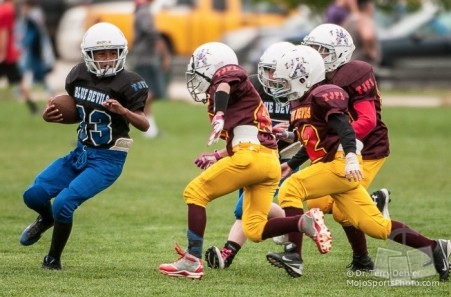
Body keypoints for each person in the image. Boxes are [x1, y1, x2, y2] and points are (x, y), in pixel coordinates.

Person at [261, 44, 451, 282]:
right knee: (376, 227)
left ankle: (293, 255)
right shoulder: (299, 101)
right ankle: (436, 247)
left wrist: (351, 157)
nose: (279, 84)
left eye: (286, 78)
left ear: (303, 76)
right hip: (329, 166)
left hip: (339, 164)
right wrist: (291, 156)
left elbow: (345, 130)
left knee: (291, 188)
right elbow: (312, 138)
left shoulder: (323, 94)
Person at [158, 41, 333, 280]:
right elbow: (248, 135)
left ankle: (192, 260)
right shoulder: (242, 97)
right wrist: (217, 155)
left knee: (195, 193)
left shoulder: (233, 75)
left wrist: (219, 112)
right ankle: (303, 222)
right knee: (254, 228)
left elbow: (225, 83)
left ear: (213, 66)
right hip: (268, 161)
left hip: (250, 157)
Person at [19, 22, 150, 270]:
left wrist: (123, 111)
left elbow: (144, 124)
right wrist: (50, 116)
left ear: (121, 52)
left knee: (63, 204)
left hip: (107, 160)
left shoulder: (130, 82)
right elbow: (80, 112)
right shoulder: (78, 75)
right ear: (89, 55)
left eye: (112, 52)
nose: (107, 59)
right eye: (101, 53)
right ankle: (45, 219)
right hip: (80, 153)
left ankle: (53, 259)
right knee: (33, 195)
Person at [266, 23, 391, 277]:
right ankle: (364, 242)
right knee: (317, 202)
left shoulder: (355, 72)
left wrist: (342, 146)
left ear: (340, 52)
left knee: (343, 212)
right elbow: (316, 131)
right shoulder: (319, 80)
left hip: (367, 149)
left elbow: (367, 121)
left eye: (321, 50)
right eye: (312, 48)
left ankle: (362, 255)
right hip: (338, 150)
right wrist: (294, 151)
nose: (315, 55)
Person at [203, 41, 300, 269]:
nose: (274, 76)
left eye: (279, 71)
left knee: (243, 208)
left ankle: (228, 253)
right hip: (252, 152)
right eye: (269, 70)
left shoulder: (301, 92)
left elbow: (310, 129)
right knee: (248, 208)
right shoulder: (252, 86)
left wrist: (289, 132)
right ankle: (290, 223)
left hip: (285, 156)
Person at [131, 0, 171, 138]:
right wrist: (165, 55)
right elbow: (152, 34)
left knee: (149, 95)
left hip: (144, 59)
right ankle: (147, 127)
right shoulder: (144, 12)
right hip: (145, 60)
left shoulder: (141, 11)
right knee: (147, 95)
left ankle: (150, 128)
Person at [0, 0, 37, 114]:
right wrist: (3, 53)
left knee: (20, 81)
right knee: (20, 82)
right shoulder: (7, 10)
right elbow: (3, 32)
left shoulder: (6, 9)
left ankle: (33, 107)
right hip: (6, 56)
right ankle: (33, 107)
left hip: (7, 54)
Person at [17, 0, 56, 99]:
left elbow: (33, 34)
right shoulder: (36, 14)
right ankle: (24, 88)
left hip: (34, 49)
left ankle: (20, 89)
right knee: (35, 71)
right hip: (35, 49)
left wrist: (25, 42)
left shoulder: (32, 16)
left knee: (27, 69)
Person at [342, 0, 381, 68]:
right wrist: (371, 52)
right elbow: (368, 36)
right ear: (368, 7)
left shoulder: (350, 19)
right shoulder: (364, 19)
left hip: (350, 61)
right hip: (363, 64)